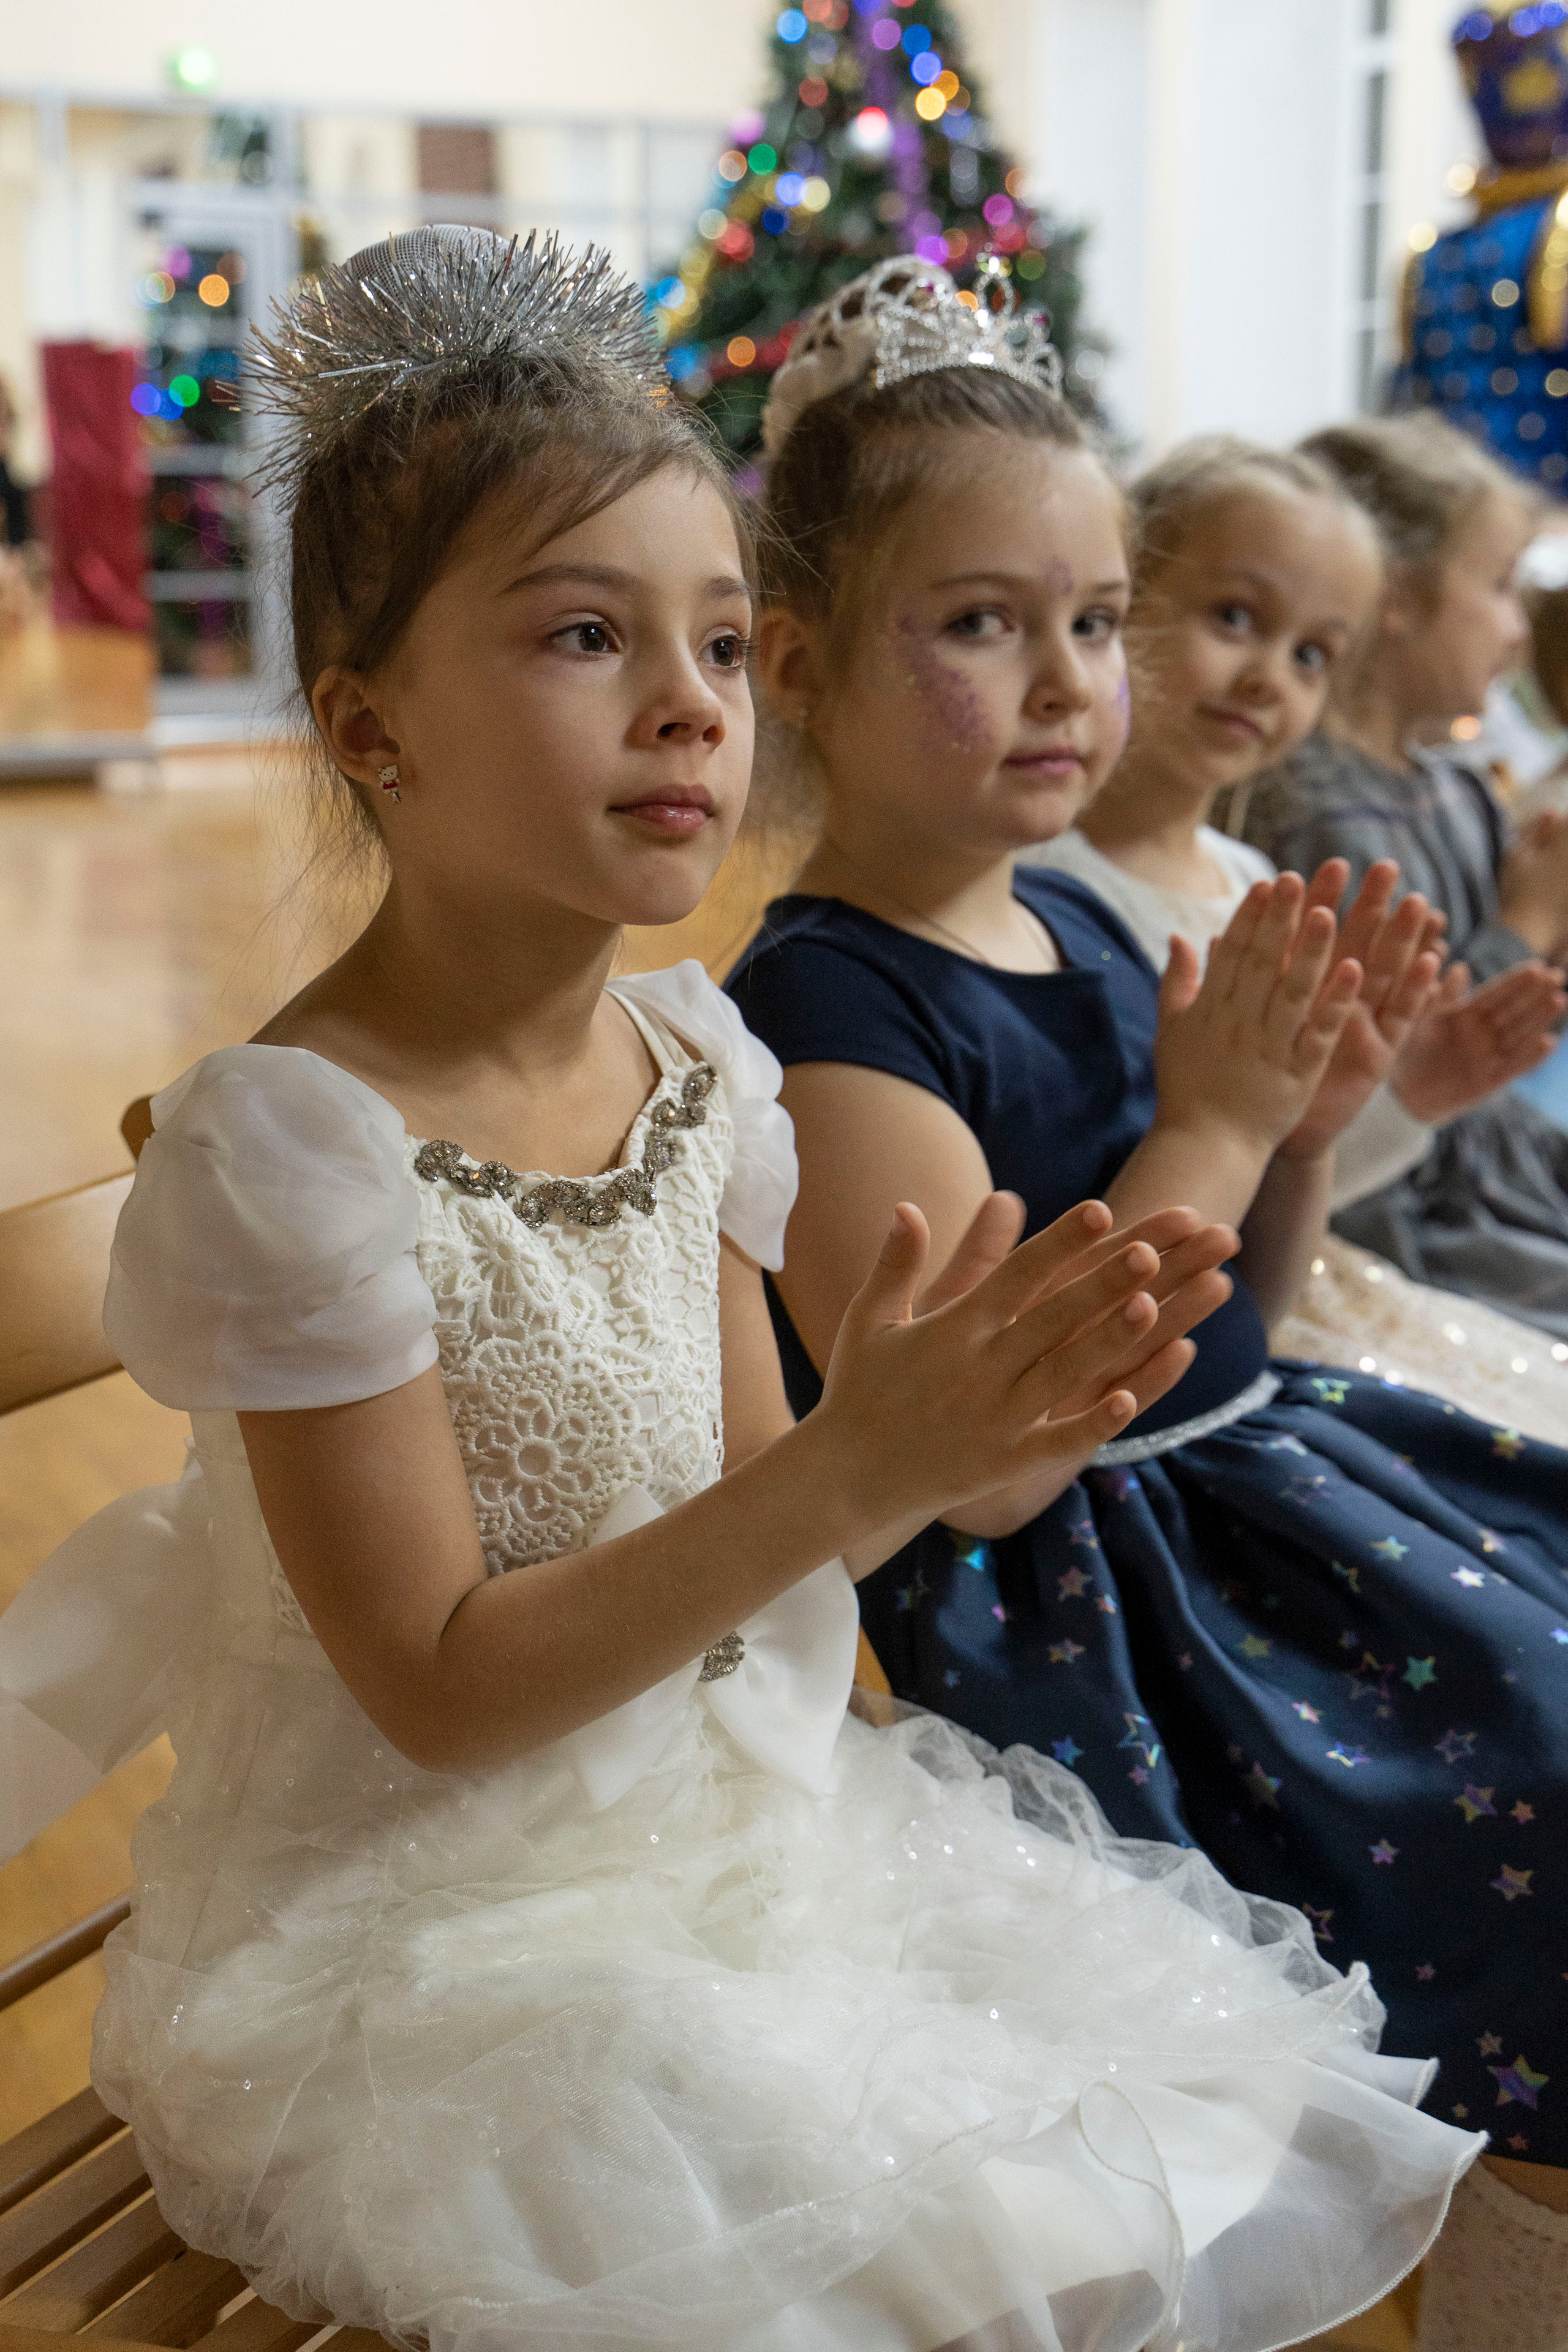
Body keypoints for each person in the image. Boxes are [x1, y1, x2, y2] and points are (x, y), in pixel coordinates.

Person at [0, 228, 1475, 2352]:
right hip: (437, 1926)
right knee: (856, 2247)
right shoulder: (299, 1147)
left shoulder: (700, 1063)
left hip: (726, 1826)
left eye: (716, 640)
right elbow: (439, 1686)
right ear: (367, 722)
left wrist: (922, 1446)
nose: (691, 701)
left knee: (1150, 2128)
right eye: (584, 635)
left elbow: (777, 1533)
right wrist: (852, 1471)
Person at [726, 256, 1568, 2347]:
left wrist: (1303, 1137)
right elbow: (991, 1471)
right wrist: (1213, 1124)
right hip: (1105, 1603)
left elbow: (1240, 1322)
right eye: (979, 625)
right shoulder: (827, 1015)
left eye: (1095, 623)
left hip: (1254, 1486)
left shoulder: (1078, 930)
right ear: (800, 665)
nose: (1064, 683)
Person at [1030, 434, 1568, 1442]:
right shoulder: (1041, 887)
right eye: (1234, 618)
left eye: (1312, 653)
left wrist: (1408, 1096)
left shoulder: (1254, 885)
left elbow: (1279, 1175)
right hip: (1156, 1368)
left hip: (1281, 1296)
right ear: (1115, 604)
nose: (1269, 676)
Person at [1236, 413, 1568, 1343]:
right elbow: (1399, 1082)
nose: (1520, 629)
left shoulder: (1454, 787)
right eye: (1499, 587)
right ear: (1397, 598)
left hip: (1505, 1176)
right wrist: (1528, 925)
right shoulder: (1325, 825)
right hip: (1415, 1234)